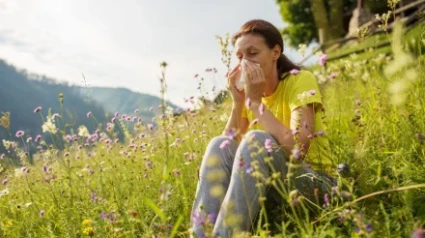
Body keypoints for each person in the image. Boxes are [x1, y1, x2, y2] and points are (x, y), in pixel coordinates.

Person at [190, 19, 336, 238]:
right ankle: (201, 235)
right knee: (219, 143)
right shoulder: (251, 97)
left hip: (315, 185)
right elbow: (225, 153)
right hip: (273, 189)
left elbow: (298, 150)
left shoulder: (300, 80)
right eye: (239, 57)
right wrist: (239, 103)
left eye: (253, 53)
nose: (245, 62)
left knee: (256, 140)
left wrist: (255, 104)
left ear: (275, 52)